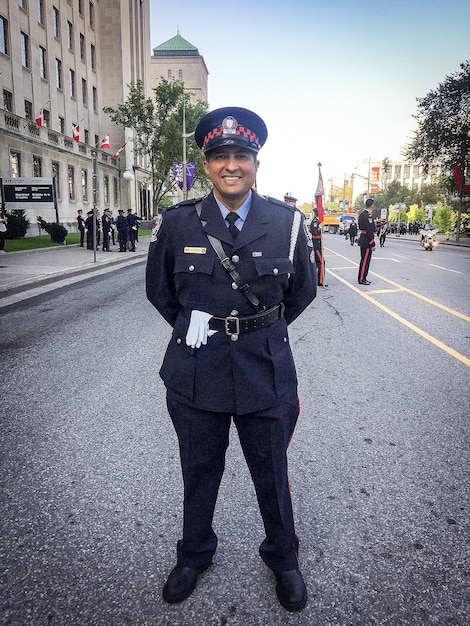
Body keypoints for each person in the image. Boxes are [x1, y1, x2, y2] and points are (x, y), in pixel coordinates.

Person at [146, 106, 317, 612]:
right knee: (199, 469)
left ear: (256, 163)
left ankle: (283, 558)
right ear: (207, 164)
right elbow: (161, 292)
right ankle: (194, 554)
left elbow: (301, 293)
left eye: (240, 155)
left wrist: (256, 333)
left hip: (264, 369)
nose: (231, 165)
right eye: (220, 156)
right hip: (196, 370)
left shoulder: (286, 223)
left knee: (272, 471)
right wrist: (204, 327)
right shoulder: (178, 223)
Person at [357, 198, 376, 285]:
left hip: (363, 238)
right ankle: (362, 279)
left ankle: (363, 277)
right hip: (366, 241)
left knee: (363, 260)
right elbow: (369, 230)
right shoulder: (368, 216)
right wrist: (372, 243)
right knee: (365, 261)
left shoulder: (362, 214)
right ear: (371, 205)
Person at [309, 209, 327, 286]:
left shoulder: (318, 221)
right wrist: (320, 228)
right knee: (321, 262)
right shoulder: (315, 222)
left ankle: (315, 279)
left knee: (317, 263)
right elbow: (315, 232)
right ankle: (320, 281)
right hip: (316, 244)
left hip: (318, 243)